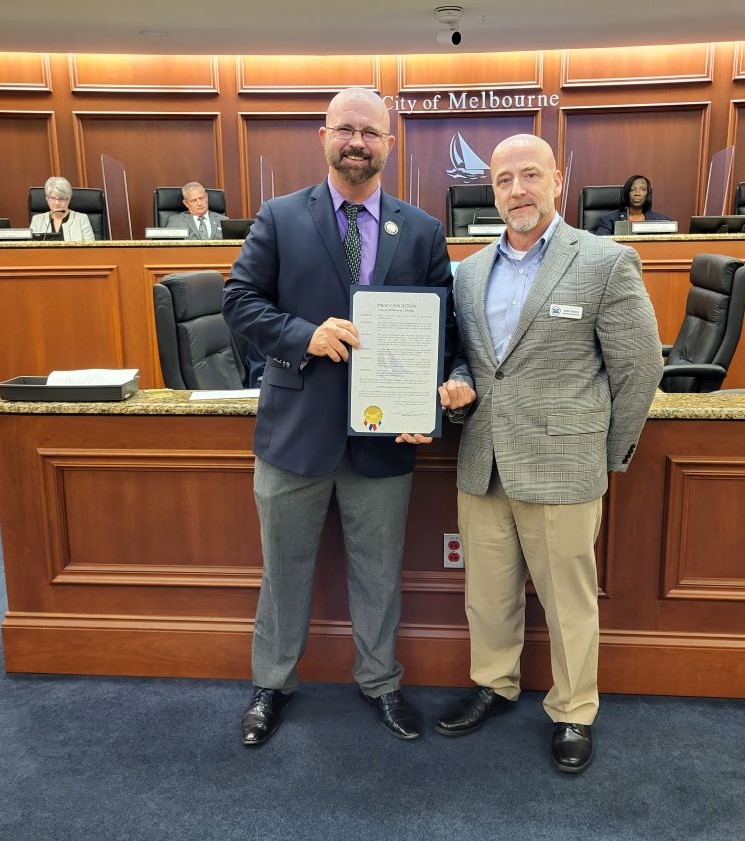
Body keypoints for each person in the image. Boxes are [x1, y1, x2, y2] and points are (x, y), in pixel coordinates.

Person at [222, 87, 467, 747]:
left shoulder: (420, 229)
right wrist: (303, 334)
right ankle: (271, 682)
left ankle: (381, 681)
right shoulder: (279, 217)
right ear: (324, 137)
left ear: (389, 144)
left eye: (371, 132)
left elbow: (445, 332)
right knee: (284, 568)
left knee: (380, 571)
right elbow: (240, 302)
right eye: (346, 130)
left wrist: (434, 397)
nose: (358, 142)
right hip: (294, 437)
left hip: (385, 438)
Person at [434, 134, 663, 774]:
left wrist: (603, 456)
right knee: (487, 592)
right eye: (504, 180)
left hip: (566, 464)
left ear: (557, 180)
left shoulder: (604, 261)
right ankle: (495, 681)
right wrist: (457, 394)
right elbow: (470, 360)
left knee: (567, 598)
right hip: (484, 459)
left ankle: (573, 710)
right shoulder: (470, 270)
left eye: (529, 175)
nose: (517, 191)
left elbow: (639, 369)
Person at [593, 174, 670, 235]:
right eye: (633, 189)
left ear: (648, 194)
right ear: (627, 193)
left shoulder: (661, 220)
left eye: (642, 189)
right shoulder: (608, 219)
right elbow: (601, 245)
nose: (637, 193)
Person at [29, 176, 94, 241]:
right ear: (47, 199)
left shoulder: (81, 219)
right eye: (53, 198)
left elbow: (92, 248)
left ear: (69, 199)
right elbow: (30, 248)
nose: (57, 203)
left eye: (61, 199)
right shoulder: (37, 220)